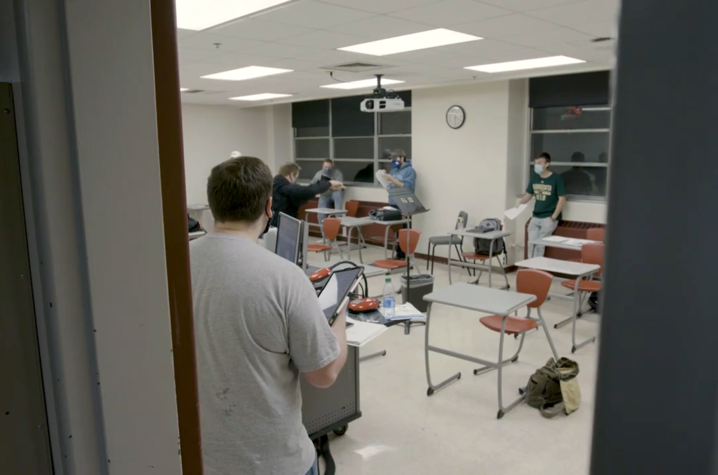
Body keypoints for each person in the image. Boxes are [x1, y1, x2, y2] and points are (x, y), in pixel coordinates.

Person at [190, 156, 348, 475]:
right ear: (268, 207)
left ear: (213, 204)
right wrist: (340, 315)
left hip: (200, 457)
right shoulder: (284, 278)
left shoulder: (175, 264)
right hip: (274, 462)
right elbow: (323, 374)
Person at [519, 152, 567, 258]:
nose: (537, 165)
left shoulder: (556, 178)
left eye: (540, 163)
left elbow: (562, 199)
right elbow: (528, 194)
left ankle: (537, 269)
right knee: (531, 244)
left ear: (547, 164)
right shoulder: (534, 178)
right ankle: (530, 268)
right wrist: (520, 202)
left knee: (540, 245)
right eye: (536, 163)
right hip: (535, 216)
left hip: (548, 217)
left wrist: (553, 217)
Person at [271, 162, 342, 227]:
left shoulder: (276, 184)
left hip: (279, 223)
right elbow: (306, 190)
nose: (295, 180)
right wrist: (329, 183)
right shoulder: (283, 186)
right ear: (291, 174)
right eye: (296, 177)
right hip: (280, 225)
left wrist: (326, 186)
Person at [382, 149, 416, 259]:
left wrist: (392, 180)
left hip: (404, 203)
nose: (393, 161)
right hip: (393, 201)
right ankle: (398, 253)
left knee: (404, 230)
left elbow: (408, 187)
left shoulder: (410, 171)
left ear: (402, 158)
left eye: (395, 159)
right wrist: (386, 183)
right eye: (391, 159)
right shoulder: (393, 171)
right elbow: (391, 186)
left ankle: (404, 255)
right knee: (396, 230)